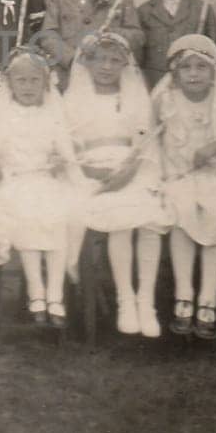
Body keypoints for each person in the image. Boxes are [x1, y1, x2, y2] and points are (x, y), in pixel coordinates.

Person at [0, 46, 88, 328]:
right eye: (21, 80)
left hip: (46, 180)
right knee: (26, 218)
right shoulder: (3, 112)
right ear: (9, 83)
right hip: (14, 182)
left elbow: (67, 149)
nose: (27, 86)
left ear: (46, 82)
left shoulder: (52, 112)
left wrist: (63, 161)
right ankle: (37, 293)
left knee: (60, 215)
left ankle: (55, 294)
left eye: (35, 80)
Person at [151, 34, 216, 342]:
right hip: (178, 174)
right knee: (182, 213)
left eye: (201, 67)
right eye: (186, 68)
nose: (194, 74)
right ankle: (184, 296)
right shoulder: (165, 100)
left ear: (213, 72)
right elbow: (149, 140)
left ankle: (208, 300)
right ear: (175, 72)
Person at [65, 32, 168, 337]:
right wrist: (93, 172)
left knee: (149, 217)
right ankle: (125, 299)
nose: (106, 67)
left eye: (114, 61)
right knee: (120, 221)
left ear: (125, 64)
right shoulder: (73, 99)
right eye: (99, 59)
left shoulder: (135, 96)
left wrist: (128, 171)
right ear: (87, 62)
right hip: (92, 174)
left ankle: (145, 301)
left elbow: (145, 142)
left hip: (132, 168)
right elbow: (66, 147)